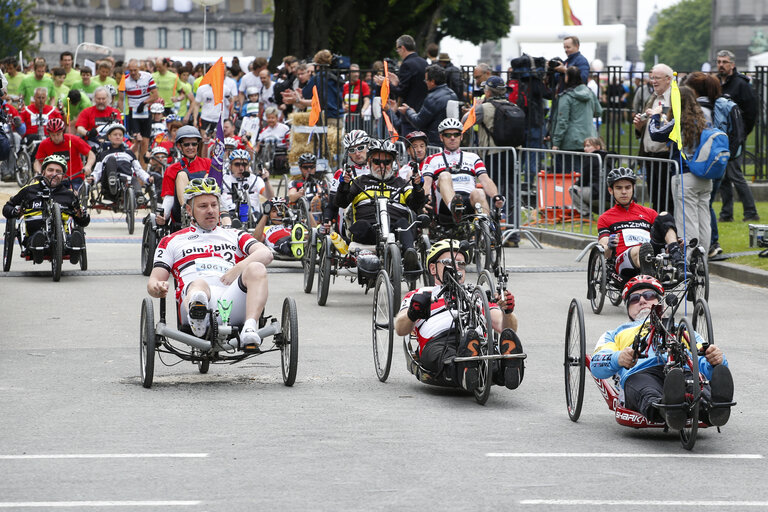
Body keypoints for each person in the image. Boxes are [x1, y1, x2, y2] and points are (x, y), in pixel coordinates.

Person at [590, 275, 733, 429]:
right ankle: (668, 410)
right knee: (648, 392)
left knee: (696, 386)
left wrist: (716, 360)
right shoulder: (615, 334)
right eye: (634, 298)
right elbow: (596, 363)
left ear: (661, 302)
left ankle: (714, 409)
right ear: (628, 307)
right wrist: (618, 358)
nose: (642, 301)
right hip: (640, 372)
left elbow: (703, 361)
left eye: (649, 295)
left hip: (681, 370)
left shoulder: (682, 329)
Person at [147, 178, 273, 349]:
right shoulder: (171, 240)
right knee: (200, 285)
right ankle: (198, 316)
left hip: (230, 298)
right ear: (190, 210)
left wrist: (238, 269)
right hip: (192, 296)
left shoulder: (234, 235)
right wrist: (157, 287)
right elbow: (154, 280)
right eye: (203, 206)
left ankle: (249, 328)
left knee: (257, 267)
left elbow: (266, 253)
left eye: (214, 205)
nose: (211, 211)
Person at [394, 239, 522, 391]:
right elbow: (401, 329)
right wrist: (412, 313)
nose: (457, 267)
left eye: (461, 264)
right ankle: (467, 366)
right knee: (445, 356)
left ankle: (506, 366)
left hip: (476, 338)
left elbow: (505, 327)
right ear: (433, 268)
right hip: (438, 341)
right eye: (449, 262)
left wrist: (507, 311)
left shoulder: (476, 294)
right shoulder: (420, 294)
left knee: (488, 351)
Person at [335, 139, 426, 274]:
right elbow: (341, 203)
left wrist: (418, 188)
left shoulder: (401, 183)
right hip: (369, 232)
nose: (382, 166)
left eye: (387, 162)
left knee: (404, 223)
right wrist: (343, 185)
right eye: (377, 162)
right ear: (369, 162)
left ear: (393, 164)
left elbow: (416, 204)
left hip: (396, 232)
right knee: (362, 225)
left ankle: (409, 257)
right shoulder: (360, 181)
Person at [648, 85, 712, 254]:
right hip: (704, 176)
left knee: (687, 222)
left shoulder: (679, 121)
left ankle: (687, 262)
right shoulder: (704, 120)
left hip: (684, 176)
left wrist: (655, 116)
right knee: (704, 219)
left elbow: (656, 134)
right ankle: (702, 260)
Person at [597, 167, 684, 281]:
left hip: (653, 255)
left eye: (628, 187)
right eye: (619, 188)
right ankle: (651, 274)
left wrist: (676, 241)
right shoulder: (605, 218)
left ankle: (678, 260)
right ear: (611, 190)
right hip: (625, 260)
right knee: (641, 249)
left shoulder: (649, 213)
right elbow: (603, 250)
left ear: (633, 188)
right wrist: (609, 245)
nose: (624, 192)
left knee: (664, 215)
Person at [2, 154, 90, 265]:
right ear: (43, 172)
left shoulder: (69, 194)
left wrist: (82, 215)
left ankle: (74, 249)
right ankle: (38, 249)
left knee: (72, 238)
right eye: (50, 170)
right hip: (34, 235)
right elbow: (7, 208)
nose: (54, 174)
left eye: (58, 171)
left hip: (62, 239)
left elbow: (83, 222)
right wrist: (15, 212)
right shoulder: (29, 190)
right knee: (38, 237)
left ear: (63, 176)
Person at [421, 118, 504, 226]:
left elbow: (485, 179)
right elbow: (426, 183)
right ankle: (455, 209)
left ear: (461, 136)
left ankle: (487, 228)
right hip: (445, 205)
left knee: (479, 192)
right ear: (441, 137)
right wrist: (424, 199)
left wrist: (496, 196)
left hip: (468, 200)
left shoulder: (473, 157)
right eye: (447, 135)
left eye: (456, 134)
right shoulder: (432, 159)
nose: (452, 138)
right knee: (445, 175)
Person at [716, 50, 759, 223]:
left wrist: (741, 134)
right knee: (723, 176)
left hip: (735, 138)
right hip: (721, 137)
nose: (721, 65)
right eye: (719, 61)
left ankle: (750, 212)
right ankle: (727, 214)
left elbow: (751, 113)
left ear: (732, 64)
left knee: (735, 175)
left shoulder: (741, 84)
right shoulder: (718, 83)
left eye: (725, 62)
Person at [632, 63, 675, 214]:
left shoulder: (674, 98)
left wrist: (659, 116)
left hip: (666, 156)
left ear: (668, 79)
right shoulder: (653, 97)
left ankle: (669, 231)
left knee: (667, 198)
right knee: (655, 197)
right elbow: (645, 129)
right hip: (649, 156)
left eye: (657, 78)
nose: (653, 81)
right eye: (652, 78)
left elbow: (674, 127)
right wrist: (639, 125)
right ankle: (658, 229)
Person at [550, 66, 603, 173]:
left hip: (570, 141)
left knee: (571, 175)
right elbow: (598, 112)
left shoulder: (566, 96)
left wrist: (556, 142)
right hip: (589, 138)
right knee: (586, 174)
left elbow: (562, 121)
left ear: (568, 77)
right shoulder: (590, 93)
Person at [157, 125, 211, 228]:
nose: (191, 147)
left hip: (206, 206)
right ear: (179, 146)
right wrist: (164, 215)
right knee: (182, 175)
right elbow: (169, 196)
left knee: (208, 176)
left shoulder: (208, 163)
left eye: (194, 144)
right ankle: (187, 213)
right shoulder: (172, 169)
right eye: (186, 145)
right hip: (182, 213)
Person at [374, 35, 428, 135]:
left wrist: (386, 84)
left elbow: (402, 91)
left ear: (402, 48)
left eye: (397, 49)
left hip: (408, 112)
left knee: (409, 144)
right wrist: (397, 82)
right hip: (423, 112)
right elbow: (413, 86)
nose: (398, 52)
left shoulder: (406, 64)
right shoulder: (424, 62)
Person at [90, 123, 153, 202]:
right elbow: (97, 171)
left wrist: (147, 178)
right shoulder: (104, 154)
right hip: (108, 185)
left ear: (123, 137)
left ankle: (139, 195)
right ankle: (113, 181)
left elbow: (139, 170)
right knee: (111, 159)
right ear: (109, 137)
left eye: (120, 135)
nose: (118, 137)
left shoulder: (129, 153)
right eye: (115, 135)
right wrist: (93, 178)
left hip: (126, 180)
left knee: (134, 180)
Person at [398, 65, 458, 146]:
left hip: (434, 143)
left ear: (432, 81)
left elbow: (419, 122)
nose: (425, 82)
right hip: (448, 141)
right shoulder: (453, 94)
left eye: (426, 80)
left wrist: (408, 111)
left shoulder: (432, 98)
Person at [118, 59, 159, 167]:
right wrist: (124, 113)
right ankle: (134, 167)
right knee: (137, 140)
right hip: (133, 113)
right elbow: (120, 100)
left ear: (139, 69)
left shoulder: (147, 76)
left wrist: (144, 102)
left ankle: (143, 170)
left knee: (145, 142)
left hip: (145, 111)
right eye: (130, 70)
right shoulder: (125, 80)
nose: (133, 73)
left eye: (135, 70)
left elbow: (155, 95)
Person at [34, 117, 95, 189]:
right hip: (54, 178)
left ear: (63, 132)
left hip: (75, 177)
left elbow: (91, 154)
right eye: (53, 135)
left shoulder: (74, 140)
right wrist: (38, 172)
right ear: (49, 134)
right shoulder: (44, 144)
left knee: (74, 195)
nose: (56, 137)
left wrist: (88, 166)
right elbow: (38, 161)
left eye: (58, 134)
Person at [221, 149, 273, 227]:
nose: (241, 168)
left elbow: (270, 197)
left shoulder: (255, 179)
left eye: (244, 165)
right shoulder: (223, 179)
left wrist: (266, 181)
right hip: (229, 216)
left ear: (248, 166)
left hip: (254, 216)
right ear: (230, 166)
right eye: (237, 164)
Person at [569, 136, 608, 217]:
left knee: (573, 189)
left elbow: (583, 180)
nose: (585, 149)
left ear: (598, 147)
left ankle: (586, 214)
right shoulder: (609, 158)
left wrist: (577, 184)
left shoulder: (591, 158)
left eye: (588, 146)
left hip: (597, 194)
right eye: (585, 146)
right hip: (611, 196)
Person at [287, 152, 325, 226]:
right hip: (303, 217)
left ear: (315, 167)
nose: (309, 169)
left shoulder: (322, 183)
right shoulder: (295, 183)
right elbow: (291, 197)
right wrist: (298, 194)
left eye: (312, 167)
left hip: (321, 216)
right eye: (305, 167)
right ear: (300, 168)